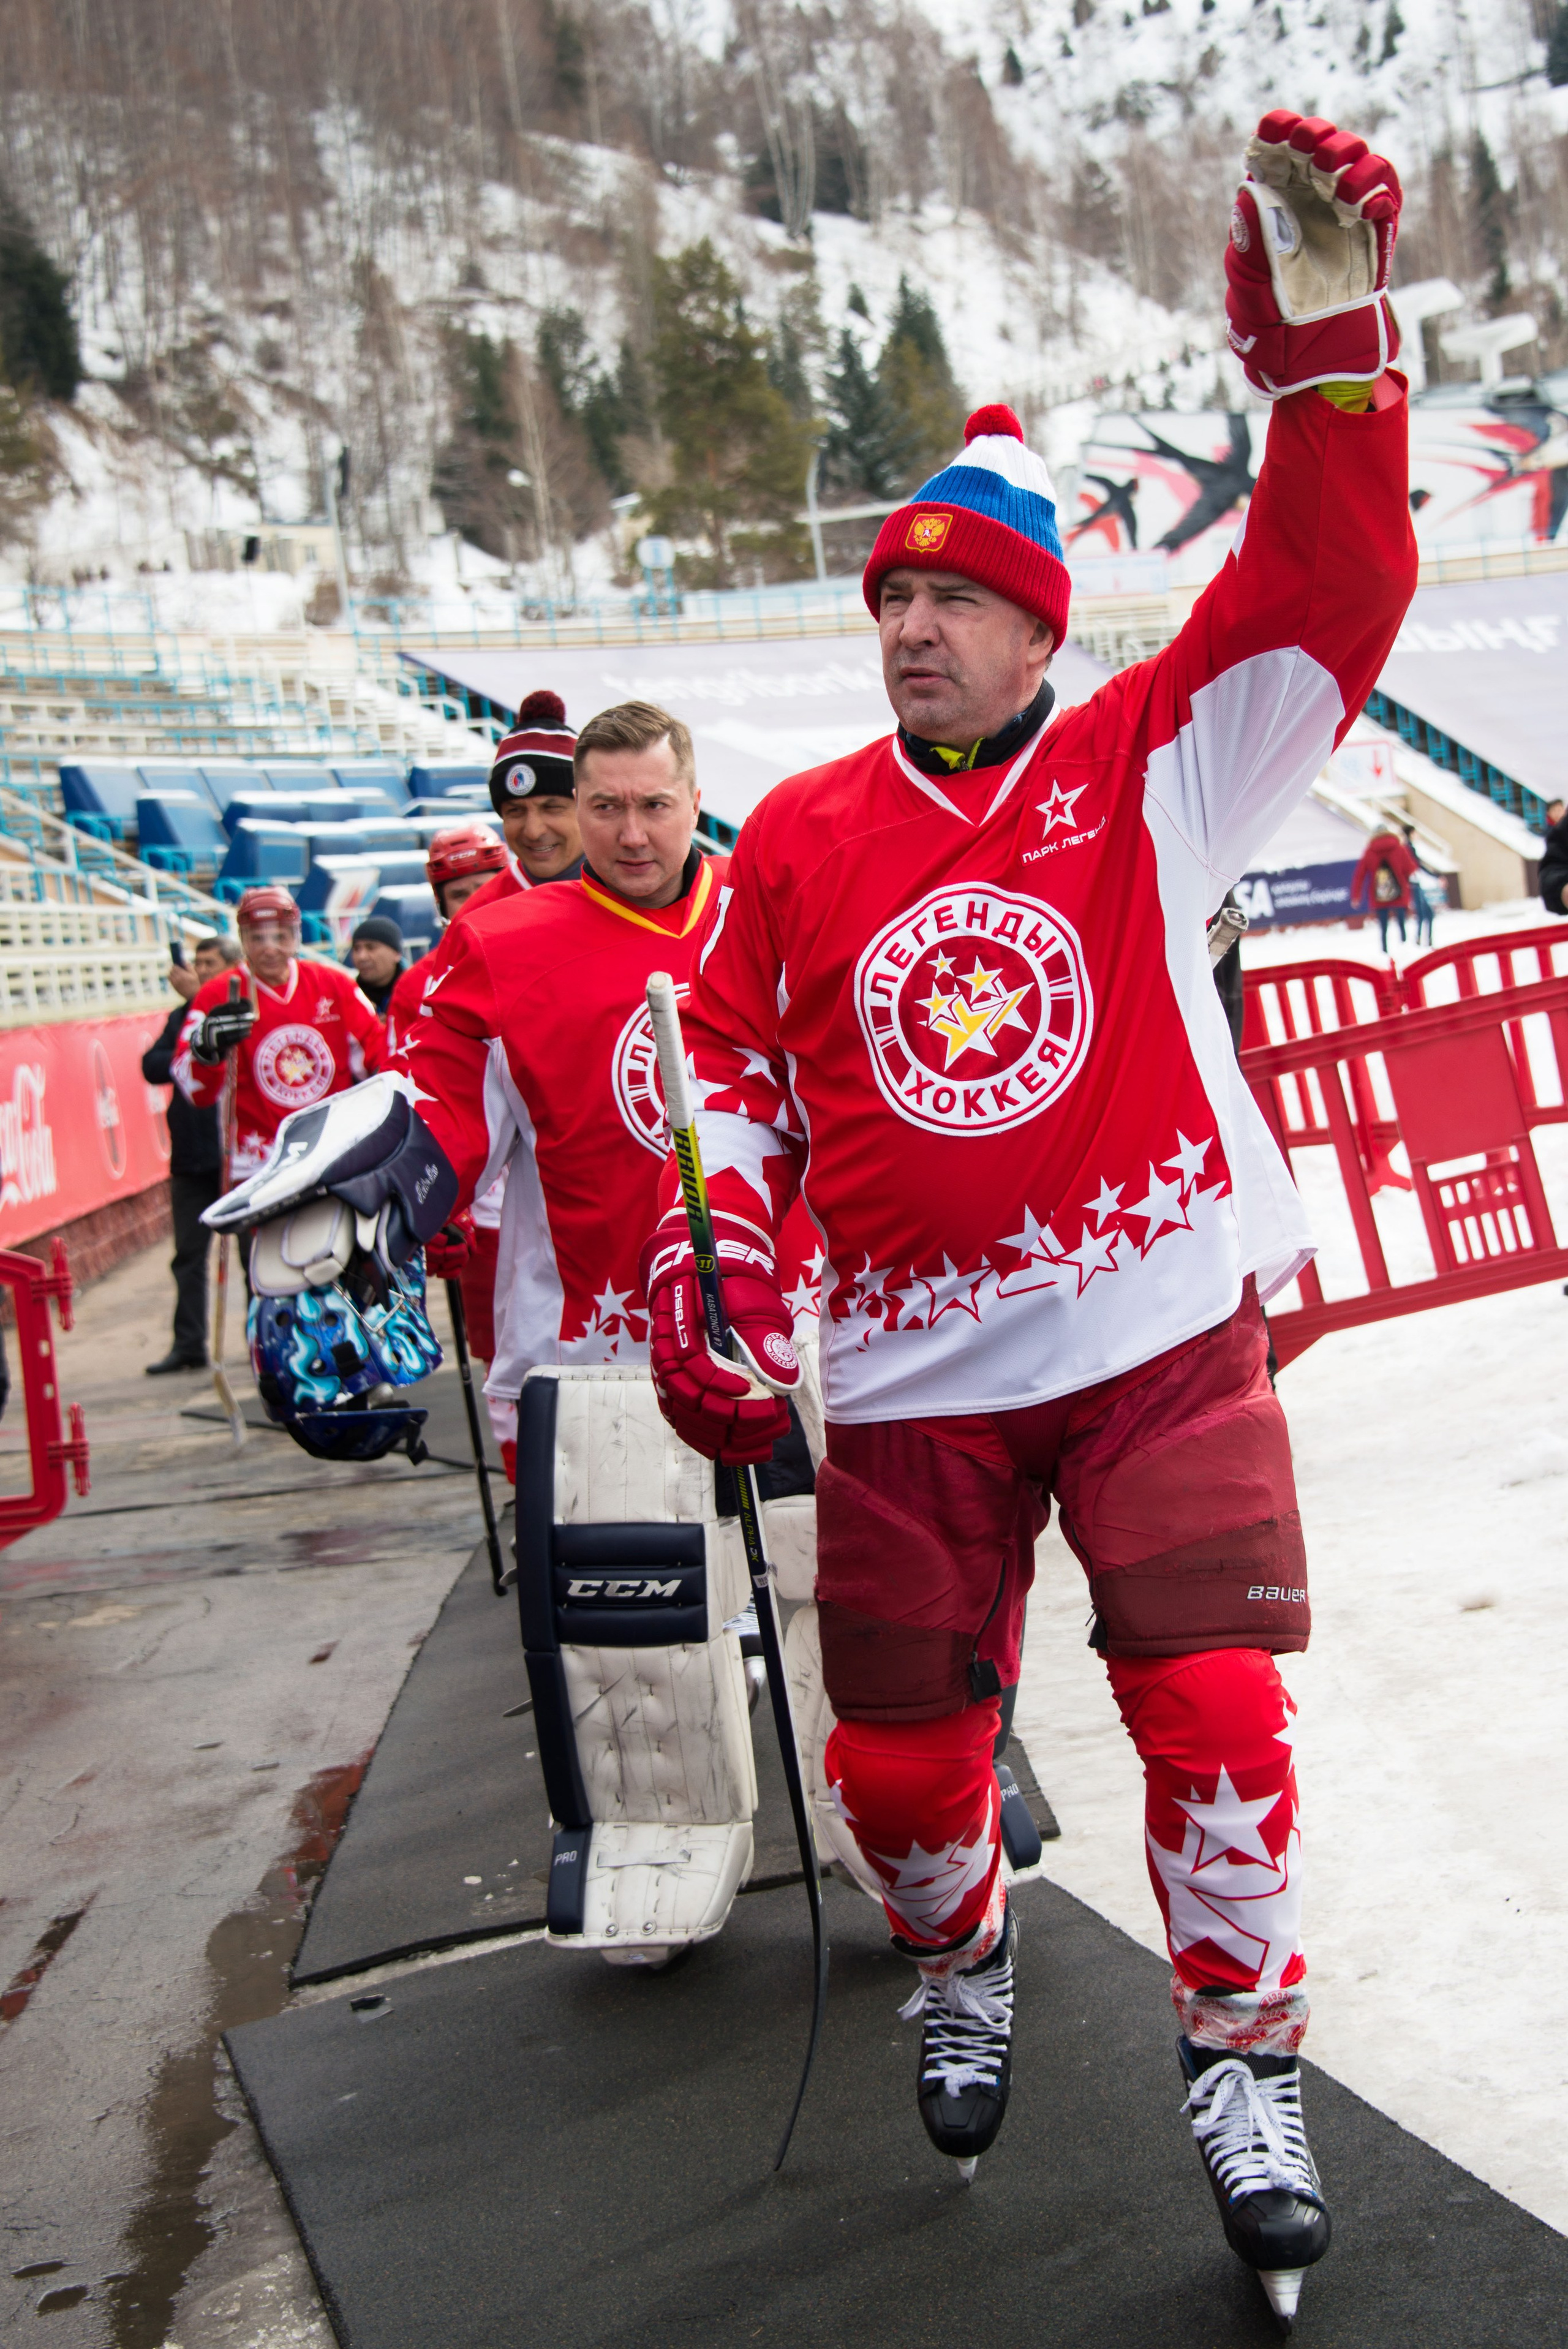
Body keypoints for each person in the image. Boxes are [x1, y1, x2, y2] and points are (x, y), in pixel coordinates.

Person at [638, 108, 1416, 2330]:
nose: (906, 627)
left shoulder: (1166, 757)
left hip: (1158, 1326)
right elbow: (718, 1077)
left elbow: (1329, 583)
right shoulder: (787, 842)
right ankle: (957, 1949)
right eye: (886, 596)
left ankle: (1240, 2057)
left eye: (949, 597)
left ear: (1034, 625)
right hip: (905, 1384)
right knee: (894, 1771)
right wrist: (714, 1263)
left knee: (1212, 1722)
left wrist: (1328, 356)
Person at [398, 699, 816, 1480]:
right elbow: (441, 1123)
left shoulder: (774, 905)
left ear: (695, 803)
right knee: (642, 1598)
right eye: (605, 808)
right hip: (600, 1358)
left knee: (814, 1588)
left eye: (655, 806)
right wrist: (373, 1204)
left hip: (794, 1334)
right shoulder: (497, 944)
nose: (632, 835)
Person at [388, 823, 511, 1360]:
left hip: (563, 1195)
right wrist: (439, 1204)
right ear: (440, 902)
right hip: (482, 1210)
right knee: (502, 1364)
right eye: (461, 894)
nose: (477, 902)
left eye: (488, 884)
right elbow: (411, 1097)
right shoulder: (418, 984)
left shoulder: (542, 948)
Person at [173, 886, 385, 1183]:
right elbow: (193, 1087)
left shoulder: (335, 985)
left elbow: (380, 1058)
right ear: (243, 939)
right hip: (257, 1165)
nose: (270, 948)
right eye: (257, 937)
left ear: (296, 936)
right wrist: (206, 1051)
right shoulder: (217, 995)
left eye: (280, 936)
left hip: (334, 1153)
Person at [141, 932, 244, 1373]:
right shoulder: (183, 1015)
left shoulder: (248, 1011)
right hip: (191, 1155)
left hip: (239, 1156)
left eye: (211, 964)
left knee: (254, 1255)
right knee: (188, 1256)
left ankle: (264, 1339)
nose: (202, 971)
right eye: (198, 964)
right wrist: (194, 1013)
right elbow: (153, 1064)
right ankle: (189, 1344)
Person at [1350, 824, 1417, 952]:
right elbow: (1410, 868)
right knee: (1402, 924)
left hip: (1379, 895)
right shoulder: (1399, 847)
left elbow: (1360, 875)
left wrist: (1356, 896)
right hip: (1399, 892)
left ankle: (1385, 952)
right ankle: (1405, 950)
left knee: (1383, 927)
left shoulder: (1370, 851)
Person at [348, 914, 405, 1024]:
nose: (362, 957)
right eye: (356, 949)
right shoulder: (350, 997)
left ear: (397, 953)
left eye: (371, 947)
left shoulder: (417, 993)